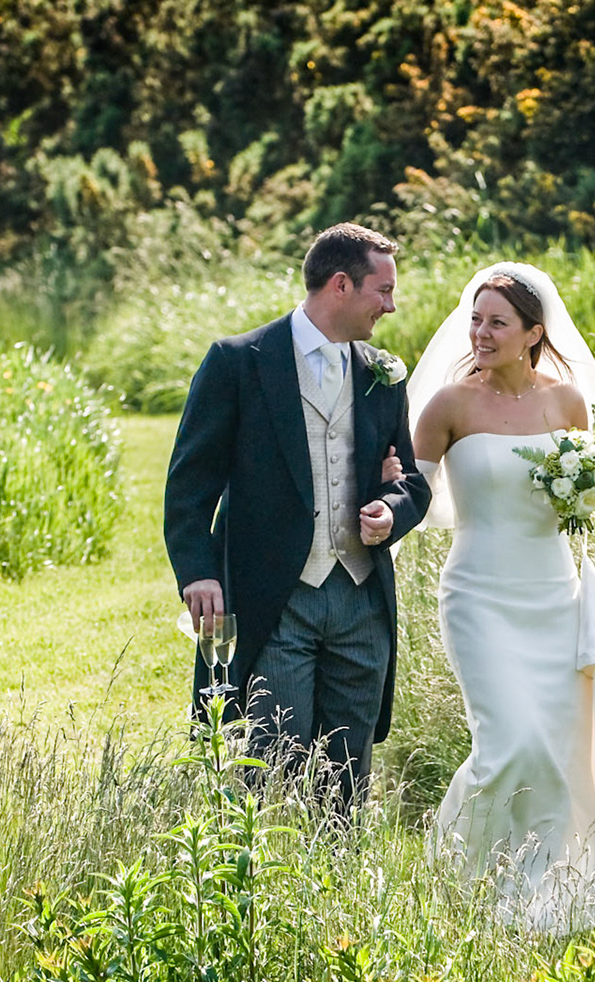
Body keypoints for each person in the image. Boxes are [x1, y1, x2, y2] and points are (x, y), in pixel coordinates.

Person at [405, 262, 595, 934]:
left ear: (534, 332)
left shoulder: (567, 405)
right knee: (510, 744)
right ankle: (458, 873)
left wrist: (593, 491)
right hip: (477, 597)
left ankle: (539, 889)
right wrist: (386, 512)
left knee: (561, 752)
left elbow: (583, 498)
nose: (481, 332)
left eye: (497, 322)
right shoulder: (448, 406)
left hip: (554, 595)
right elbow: (409, 496)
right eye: (476, 318)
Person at [163, 223, 430, 808]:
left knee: (348, 778)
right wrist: (198, 572)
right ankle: (269, 887)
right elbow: (190, 481)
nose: (391, 304)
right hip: (274, 597)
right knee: (270, 766)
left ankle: (341, 887)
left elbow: (411, 480)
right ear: (341, 285)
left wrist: (391, 508)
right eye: (382, 290)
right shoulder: (236, 362)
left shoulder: (382, 374)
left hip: (362, 601)